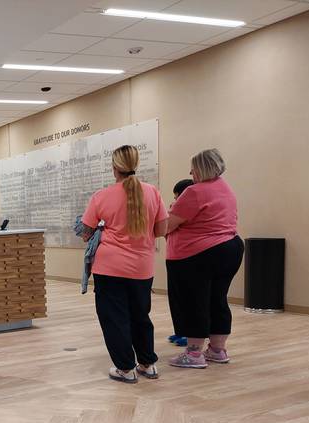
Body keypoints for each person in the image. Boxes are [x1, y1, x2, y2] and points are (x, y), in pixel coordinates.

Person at [80, 145, 168, 384]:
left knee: (114, 318)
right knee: (141, 315)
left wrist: (103, 228)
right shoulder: (153, 192)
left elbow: (86, 233)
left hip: (109, 268)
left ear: (114, 167)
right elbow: (161, 229)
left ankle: (125, 368)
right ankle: (148, 363)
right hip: (142, 267)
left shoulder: (102, 195)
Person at [165, 148, 243, 368]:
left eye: (193, 167)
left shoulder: (194, 192)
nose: (190, 172)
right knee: (218, 299)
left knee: (194, 302)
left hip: (198, 254)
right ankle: (217, 350)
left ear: (202, 168)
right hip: (230, 248)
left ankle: (194, 354)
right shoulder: (225, 188)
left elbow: (168, 225)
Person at [166, 178, 194, 348]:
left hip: (188, 257)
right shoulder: (176, 208)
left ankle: (190, 333)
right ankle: (180, 330)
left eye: (178, 197)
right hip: (173, 256)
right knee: (175, 297)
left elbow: (169, 225)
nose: (176, 201)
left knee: (188, 297)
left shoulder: (191, 207)